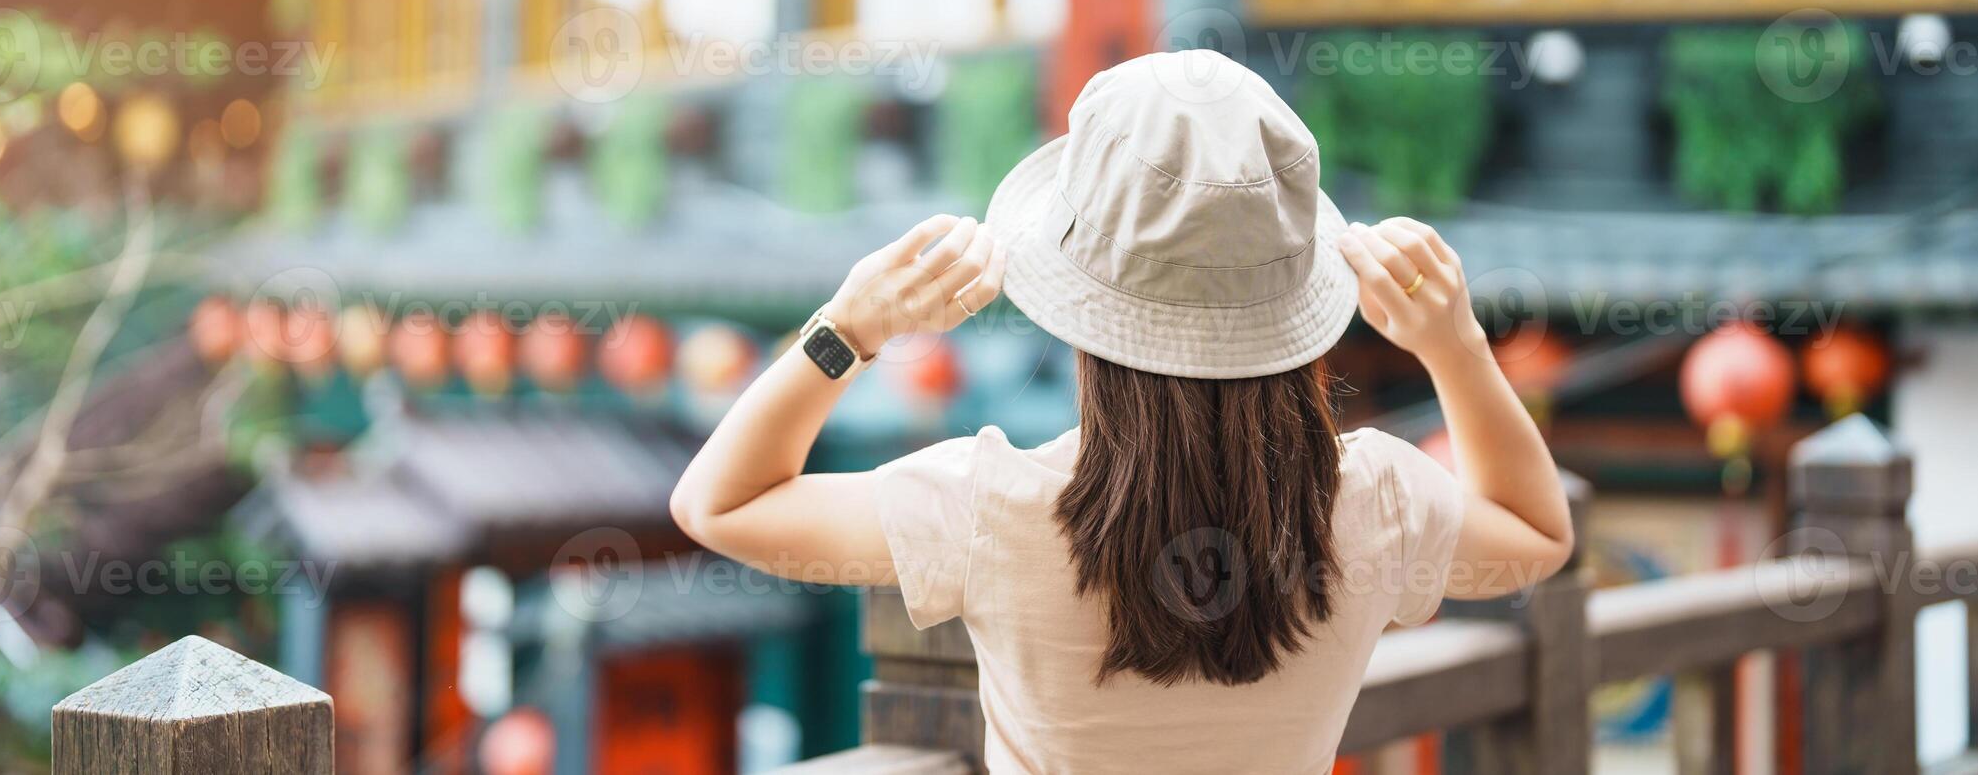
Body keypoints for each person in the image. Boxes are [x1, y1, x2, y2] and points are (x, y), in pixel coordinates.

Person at [671, 50, 1574, 773]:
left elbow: (719, 504)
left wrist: (850, 327)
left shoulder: (988, 505)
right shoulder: (1374, 498)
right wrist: (1454, 345)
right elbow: (1539, 534)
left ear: (1080, 308)